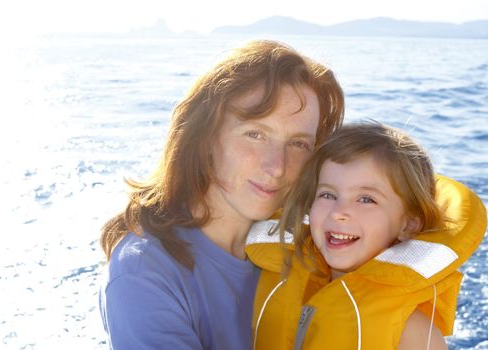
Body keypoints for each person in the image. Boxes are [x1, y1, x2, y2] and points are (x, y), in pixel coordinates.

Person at [98, 40, 345, 349]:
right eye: (255, 134)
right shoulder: (143, 275)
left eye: (298, 144)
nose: (277, 167)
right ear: (205, 136)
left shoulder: (319, 244)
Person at [247, 122, 486, 349]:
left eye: (366, 199)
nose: (340, 212)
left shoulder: (414, 333)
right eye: (328, 195)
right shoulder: (273, 272)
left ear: (408, 225)